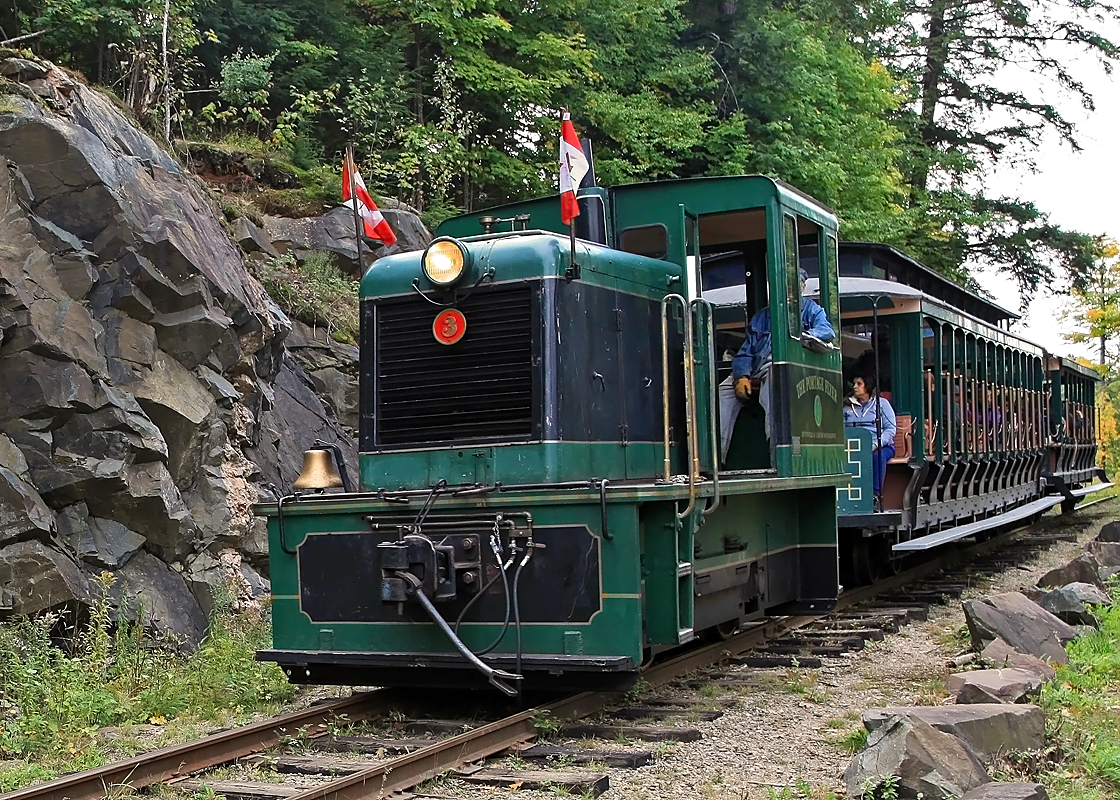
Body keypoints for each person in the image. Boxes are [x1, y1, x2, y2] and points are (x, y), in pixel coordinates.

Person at [718, 269, 835, 461]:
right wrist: (741, 376)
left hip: (784, 367)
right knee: (724, 390)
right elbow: (746, 350)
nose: (788, 290)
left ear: (803, 287)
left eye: (794, 285)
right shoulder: (763, 317)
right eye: (784, 285)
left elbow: (826, 331)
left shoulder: (812, 310)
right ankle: (716, 459)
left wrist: (803, 337)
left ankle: (776, 455)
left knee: (774, 383)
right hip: (756, 366)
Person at [844, 374, 897, 497]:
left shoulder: (882, 404)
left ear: (868, 386)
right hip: (853, 446)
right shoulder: (847, 408)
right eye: (854, 384)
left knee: (878, 457)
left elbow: (890, 429)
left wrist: (875, 444)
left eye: (859, 384)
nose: (855, 387)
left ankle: (875, 494)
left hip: (880, 446)